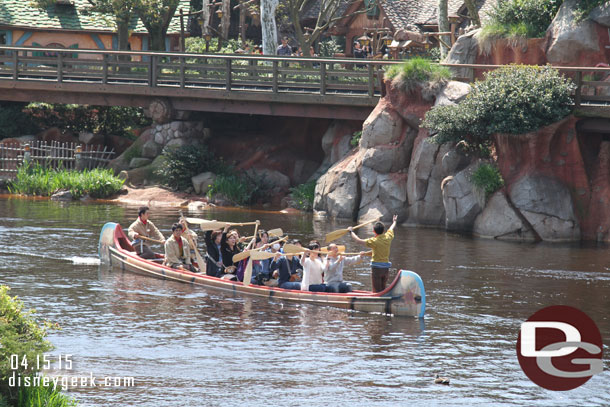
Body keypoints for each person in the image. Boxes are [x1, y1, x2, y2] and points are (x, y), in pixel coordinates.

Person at [348, 215, 398, 292]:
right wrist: (394, 221)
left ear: (374, 231)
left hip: (376, 269)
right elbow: (391, 228)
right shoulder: (388, 237)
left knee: (376, 291)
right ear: (384, 231)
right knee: (382, 289)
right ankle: (383, 300)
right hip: (385, 269)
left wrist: (351, 231)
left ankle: (377, 301)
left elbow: (358, 240)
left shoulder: (374, 241)